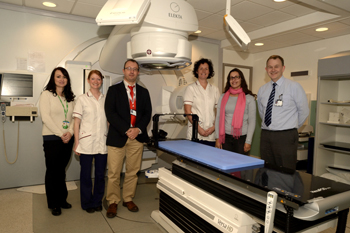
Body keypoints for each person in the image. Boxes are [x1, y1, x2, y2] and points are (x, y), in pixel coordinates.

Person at [104, 59, 152, 218]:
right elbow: (110, 113)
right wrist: (126, 130)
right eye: (129, 68)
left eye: (135, 69)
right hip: (118, 137)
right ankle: (112, 200)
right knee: (114, 172)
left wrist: (137, 129)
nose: (132, 71)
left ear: (138, 73)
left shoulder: (144, 92)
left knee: (133, 171)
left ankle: (128, 198)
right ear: (124, 71)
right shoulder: (113, 90)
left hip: (136, 138)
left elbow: (147, 114)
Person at [257, 55, 309, 170]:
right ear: (266, 70)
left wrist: (291, 126)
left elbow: (304, 111)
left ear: (283, 68)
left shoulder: (294, 87)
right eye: (270, 67)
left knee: (286, 170)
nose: (273, 70)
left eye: (276, 66)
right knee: (267, 169)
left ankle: (286, 189)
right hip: (266, 135)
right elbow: (262, 112)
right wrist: (271, 125)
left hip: (286, 136)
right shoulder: (262, 90)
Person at [39, 67, 75, 216]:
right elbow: (45, 117)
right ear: (53, 79)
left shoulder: (70, 97)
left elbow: (74, 118)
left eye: (64, 77)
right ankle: (53, 203)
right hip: (52, 138)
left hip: (68, 138)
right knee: (53, 170)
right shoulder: (46, 94)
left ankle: (62, 199)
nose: (62, 79)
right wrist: (61, 133)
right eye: (58, 76)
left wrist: (70, 132)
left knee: (61, 170)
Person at [73, 70, 108, 214]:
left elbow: (109, 121)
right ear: (88, 80)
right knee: (86, 175)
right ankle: (87, 203)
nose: (96, 81)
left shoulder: (106, 99)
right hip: (86, 143)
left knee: (100, 175)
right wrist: (76, 144)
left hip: (102, 142)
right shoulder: (82, 99)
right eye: (93, 79)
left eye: (98, 79)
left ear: (101, 81)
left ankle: (97, 201)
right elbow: (76, 123)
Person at [215, 68, 256, 155]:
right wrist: (217, 138)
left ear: (241, 79)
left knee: (240, 166)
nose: (234, 80)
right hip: (225, 137)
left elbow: (252, 121)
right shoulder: (223, 96)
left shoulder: (249, 98)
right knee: (225, 164)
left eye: (237, 77)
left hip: (242, 139)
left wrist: (248, 141)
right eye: (231, 78)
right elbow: (218, 118)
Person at [183, 58, 220, 147]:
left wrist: (213, 128)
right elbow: (188, 111)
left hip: (211, 134)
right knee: (194, 159)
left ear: (209, 71)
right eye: (201, 68)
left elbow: (219, 111)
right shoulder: (191, 88)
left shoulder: (215, 89)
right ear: (196, 71)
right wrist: (199, 129)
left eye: (206, 68)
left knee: (208, 159)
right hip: (195, 134)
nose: (204, 71)